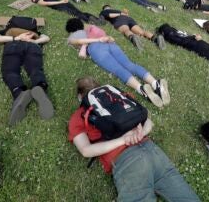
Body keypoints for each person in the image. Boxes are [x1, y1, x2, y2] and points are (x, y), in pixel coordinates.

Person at [68, 76, 200, 202]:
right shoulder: (120, 98)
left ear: (81, 97)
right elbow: (149, 123)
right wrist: (140, 134)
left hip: (127, 161)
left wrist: (123, 140)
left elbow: (86, 150)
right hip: (153, 151)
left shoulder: (78, 117)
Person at [66, 18, 169, 108]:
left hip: (95, 48)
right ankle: (155, 83)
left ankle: (141, 89)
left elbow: (79, 41)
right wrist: (103, 38)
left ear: (70, 30)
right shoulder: (89, 29)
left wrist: (95, 41)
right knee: (129, 64)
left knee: (118, 69)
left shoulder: (72, 36)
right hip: (110, 43)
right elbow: (102, 33)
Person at [0, 17, 54, 126]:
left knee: (10, 71)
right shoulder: (33, 32)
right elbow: (46, 38)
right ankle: (40, 86)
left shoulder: (9, 30)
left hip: (13, 44)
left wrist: (16, 38)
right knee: (35, 69)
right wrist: (34, 41)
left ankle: (19, 91)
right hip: (33, 46)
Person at [99, 5, 166, 50]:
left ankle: (133, 37)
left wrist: (120, 14)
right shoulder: (117, 10)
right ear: (110, 7)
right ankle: (155, 38)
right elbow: (126, 14)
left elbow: (110, 15)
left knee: (125, 30)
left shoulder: (104, 11)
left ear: (105, 8)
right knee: (141, 32)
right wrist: (122, 13)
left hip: (119, 19)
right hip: (129, 19)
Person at [31, 0, 102, 25]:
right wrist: (61, 1)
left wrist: (63, 0)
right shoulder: (39, 1)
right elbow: (45, 4)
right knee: (77, 14)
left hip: (63, 4)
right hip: (60, 6)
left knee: (79, 12)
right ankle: (94, 21)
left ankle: (96, 20)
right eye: (34, 0)